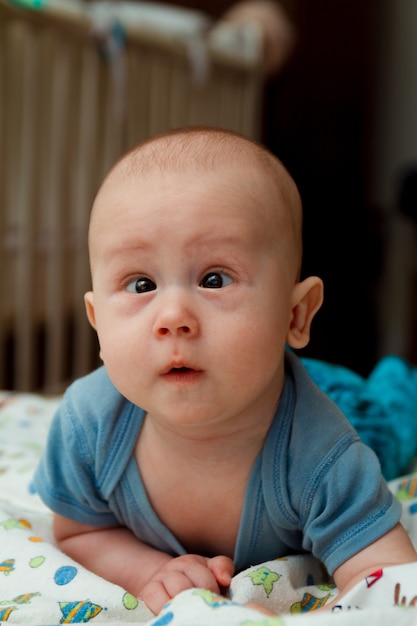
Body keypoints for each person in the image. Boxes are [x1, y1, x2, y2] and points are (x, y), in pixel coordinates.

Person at [33, 127, 417, 616]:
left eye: (214, 279)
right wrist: (150, 569)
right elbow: (80, 529)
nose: (172, 316)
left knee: (396, 415)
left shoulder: (324, 458)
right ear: (97, 325)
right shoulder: (89, 428)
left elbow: (387, 579)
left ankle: (400, 376)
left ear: (295, 315)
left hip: (351, 407)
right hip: (265, 373)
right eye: (141, 283)